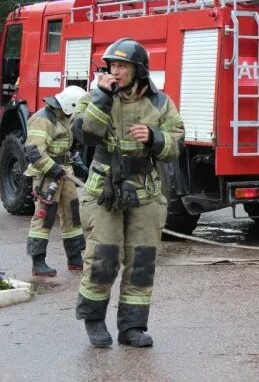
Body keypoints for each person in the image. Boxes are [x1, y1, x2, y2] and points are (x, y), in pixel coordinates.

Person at [72, 38, 185, 348]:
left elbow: (177, 143)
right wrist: (104, 98)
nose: (115, 70)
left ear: (138, 69)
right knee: (103, 258)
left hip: (145, 193)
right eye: (112, 65)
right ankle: (94, 320)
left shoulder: (161, 102)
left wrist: (154, 138)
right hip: (104, 191)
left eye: (121, 65)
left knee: (142, 260)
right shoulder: (96, 96)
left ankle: (132, 327)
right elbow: (84, 133)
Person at [24, 86, 87, 276]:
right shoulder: (43, 119)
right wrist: (54, 170)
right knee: (44, 216)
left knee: (72, 214)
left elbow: (68, 145)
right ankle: (38, 262)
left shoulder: (65, 117)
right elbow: (34, 151)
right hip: (47, 174)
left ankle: (75, 258)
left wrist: (77, 164)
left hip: (64, 172)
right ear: (71, 105)